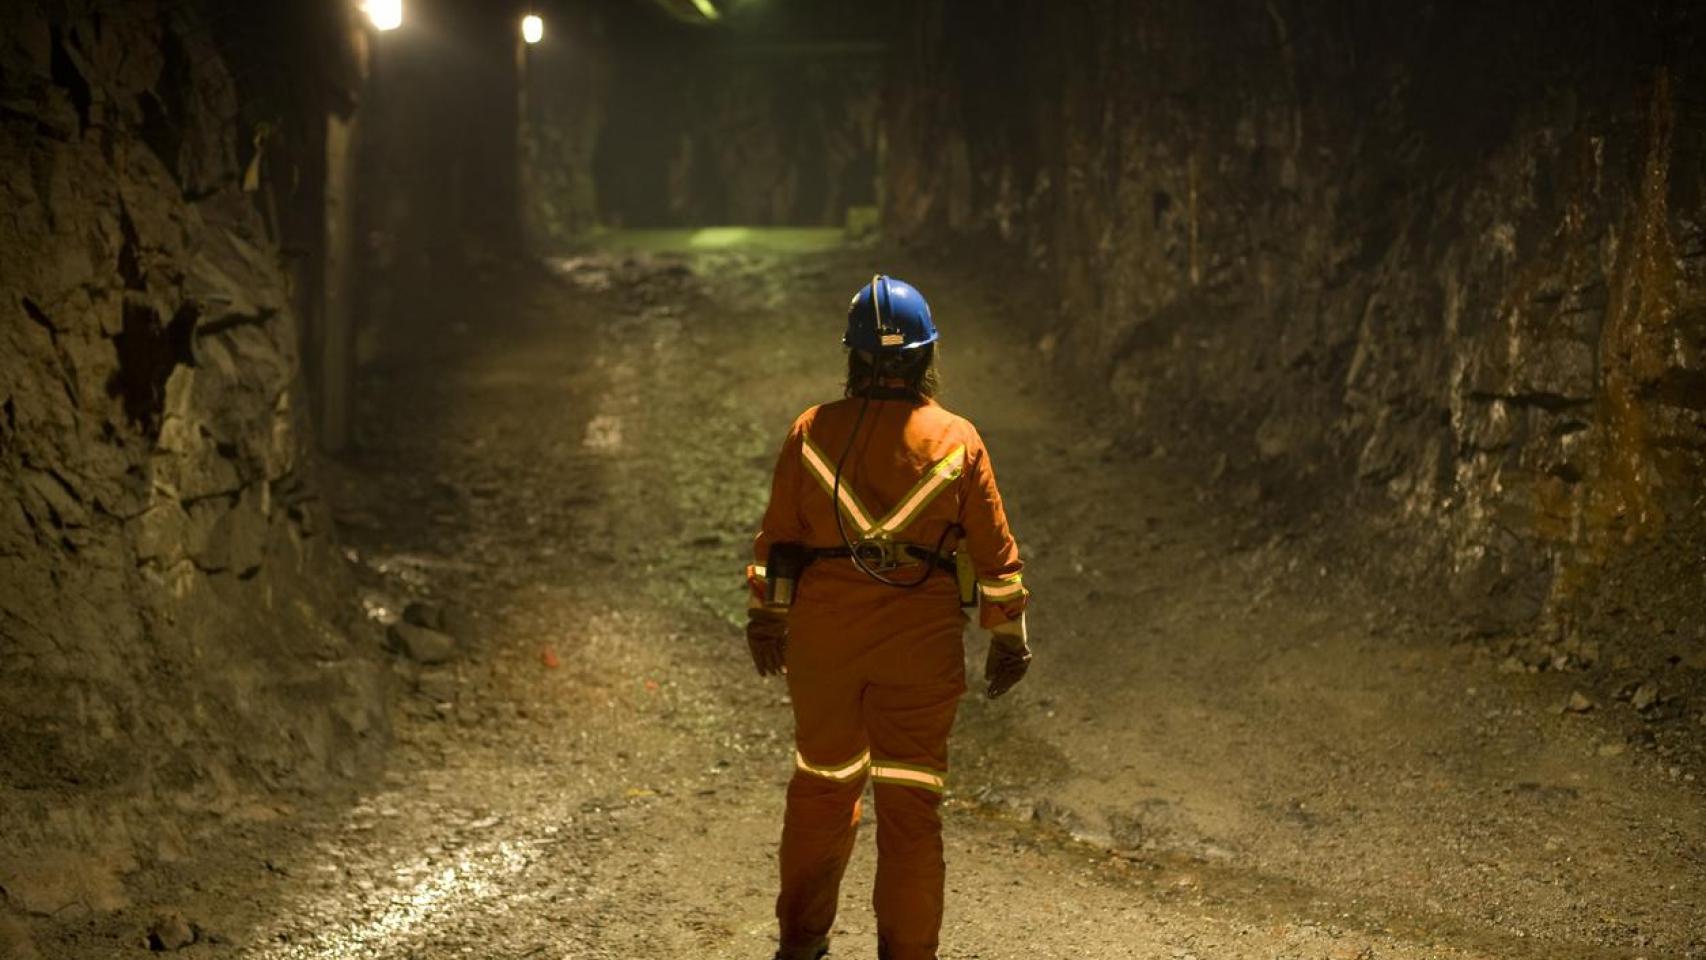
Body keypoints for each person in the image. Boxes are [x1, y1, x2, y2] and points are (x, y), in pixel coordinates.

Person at [744, 275, 1033, 960]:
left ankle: (801, 945)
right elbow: (996, 557)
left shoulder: (813, 431)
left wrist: (767, 618)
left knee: (821, 792)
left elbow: (778, 543)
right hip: (919, 649)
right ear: (925, 356)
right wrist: (1009, 637)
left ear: (854, 356)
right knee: (909, 811)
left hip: (826, 644)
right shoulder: (958, 440)